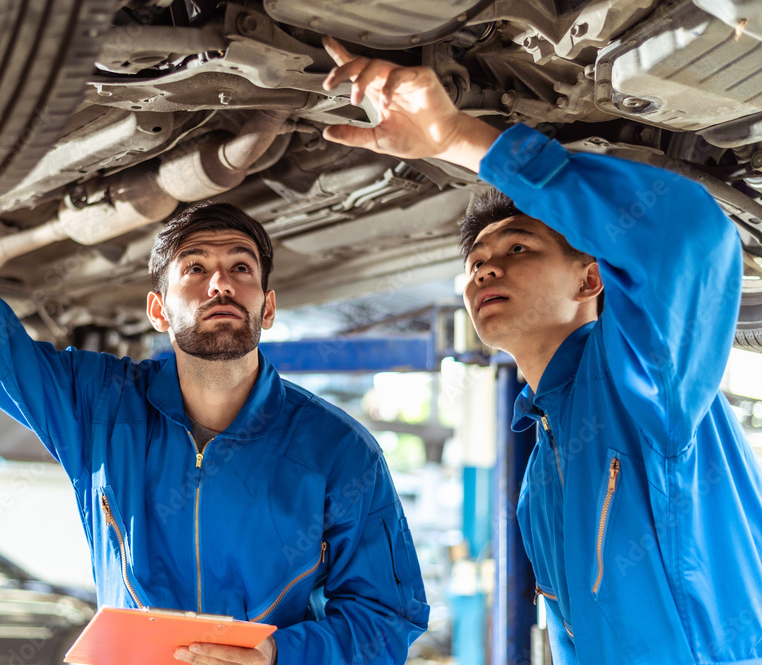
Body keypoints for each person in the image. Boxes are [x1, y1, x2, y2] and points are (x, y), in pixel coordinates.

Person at [319, 35, 762, 664]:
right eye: (475, 263)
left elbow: (684, 237)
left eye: (517, 248)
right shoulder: (538, 471)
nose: (484, 272)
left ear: (589, 279)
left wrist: (456, 138)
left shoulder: (636, 377)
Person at [0, 199, 429, 665]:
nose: (220, 283)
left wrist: (278, 655)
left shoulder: (338, 450)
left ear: (267, 307)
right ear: (158, 310)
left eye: (240, 268)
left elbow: (387, 619)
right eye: (195, 267)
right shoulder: (99, 407)